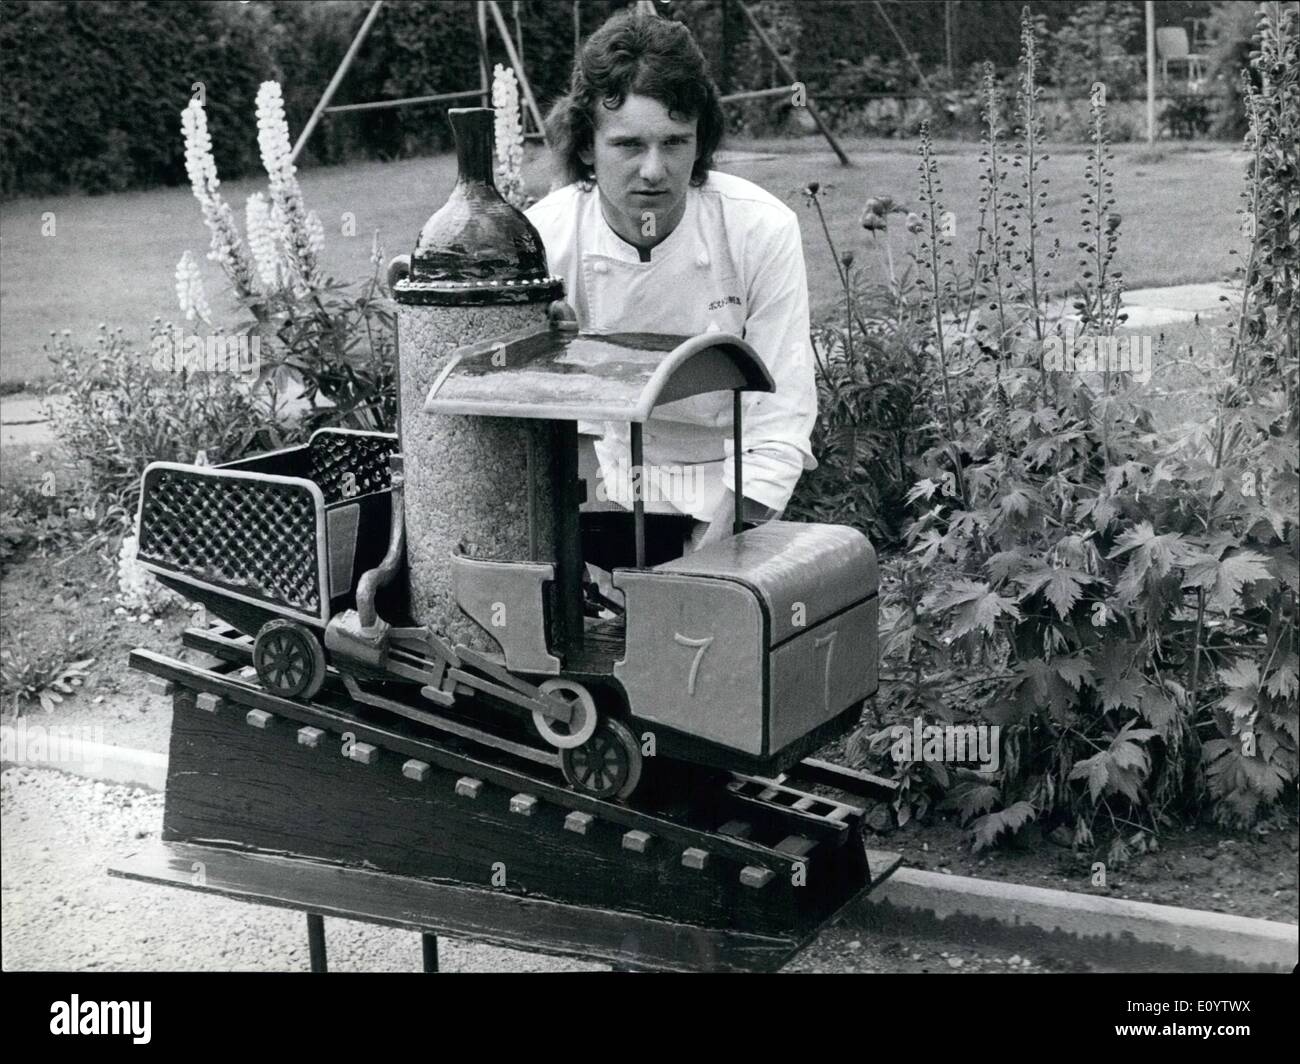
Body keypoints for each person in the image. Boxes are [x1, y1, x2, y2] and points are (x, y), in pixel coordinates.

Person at [525, 9, 817, 556]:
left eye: (675, 142)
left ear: (700, 141)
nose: (655, 170)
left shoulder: (760, 229)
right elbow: (567, 423)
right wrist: (587, 549)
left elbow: (782, 415)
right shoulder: (546, 236)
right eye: (629, 145)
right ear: (587, 146)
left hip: (735, 486)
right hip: (611, 484)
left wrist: (713, 558)